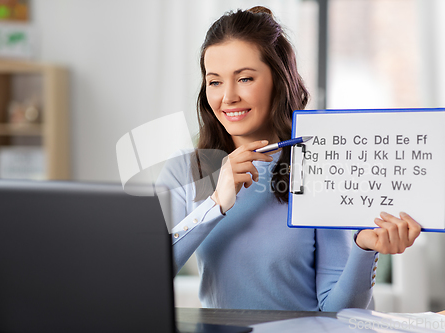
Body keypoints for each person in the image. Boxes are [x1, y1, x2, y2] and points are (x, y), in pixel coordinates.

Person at [160, 6, 421, 312]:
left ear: (279, 81)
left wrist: (363, 249)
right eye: (215, 81)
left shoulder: (318, 169)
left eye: (244, 79)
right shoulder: (185, 168)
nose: (227, 96)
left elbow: (338, 313)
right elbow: (145, 275)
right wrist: (215, 203)